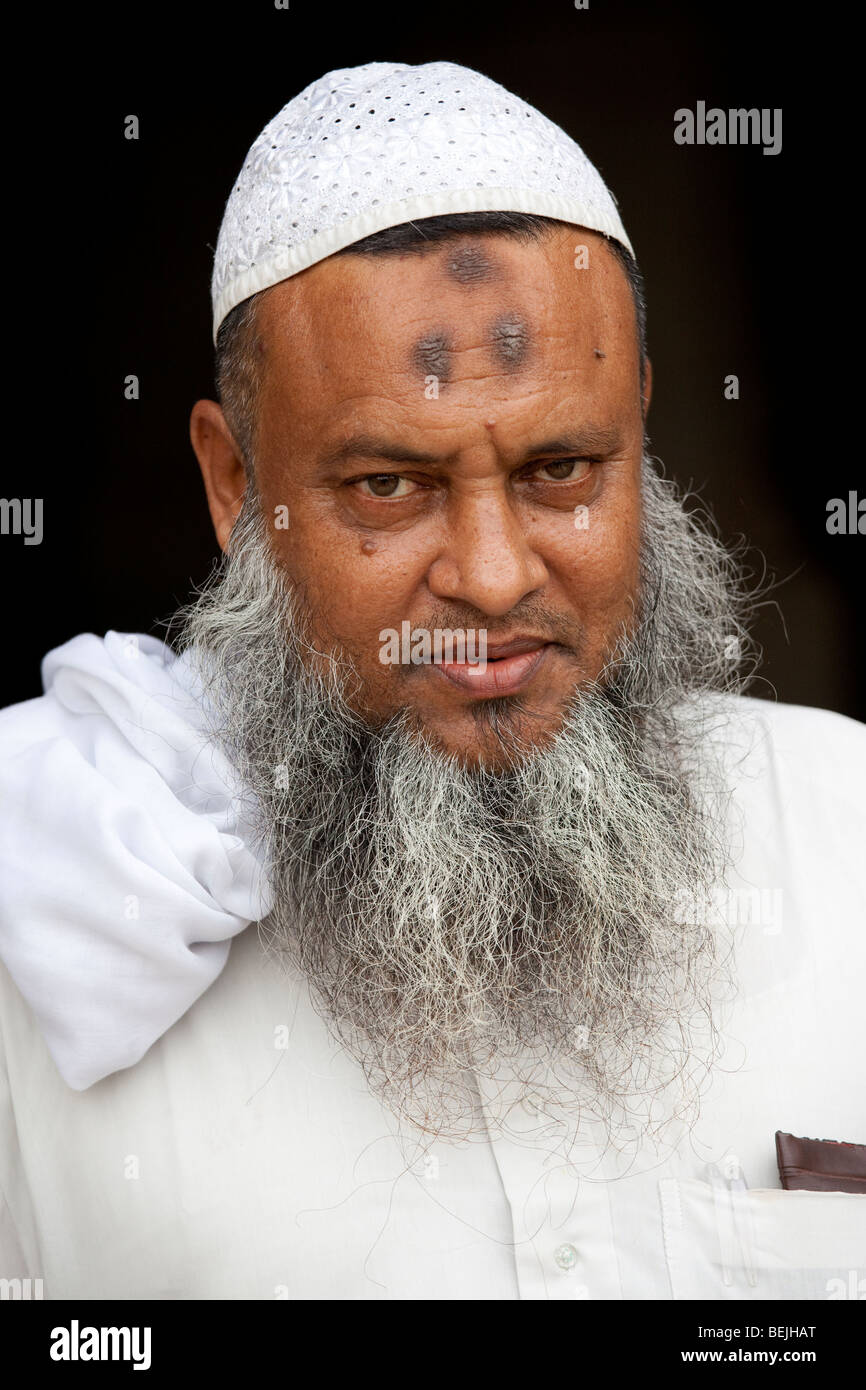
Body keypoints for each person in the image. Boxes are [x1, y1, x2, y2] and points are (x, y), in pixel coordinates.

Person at [1, 60, 863, 1301]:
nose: (496, 576)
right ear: (236, 486)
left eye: (561, 467)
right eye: (387, 486)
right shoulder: (59, 916)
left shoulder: (852, 836)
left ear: (639, 430)